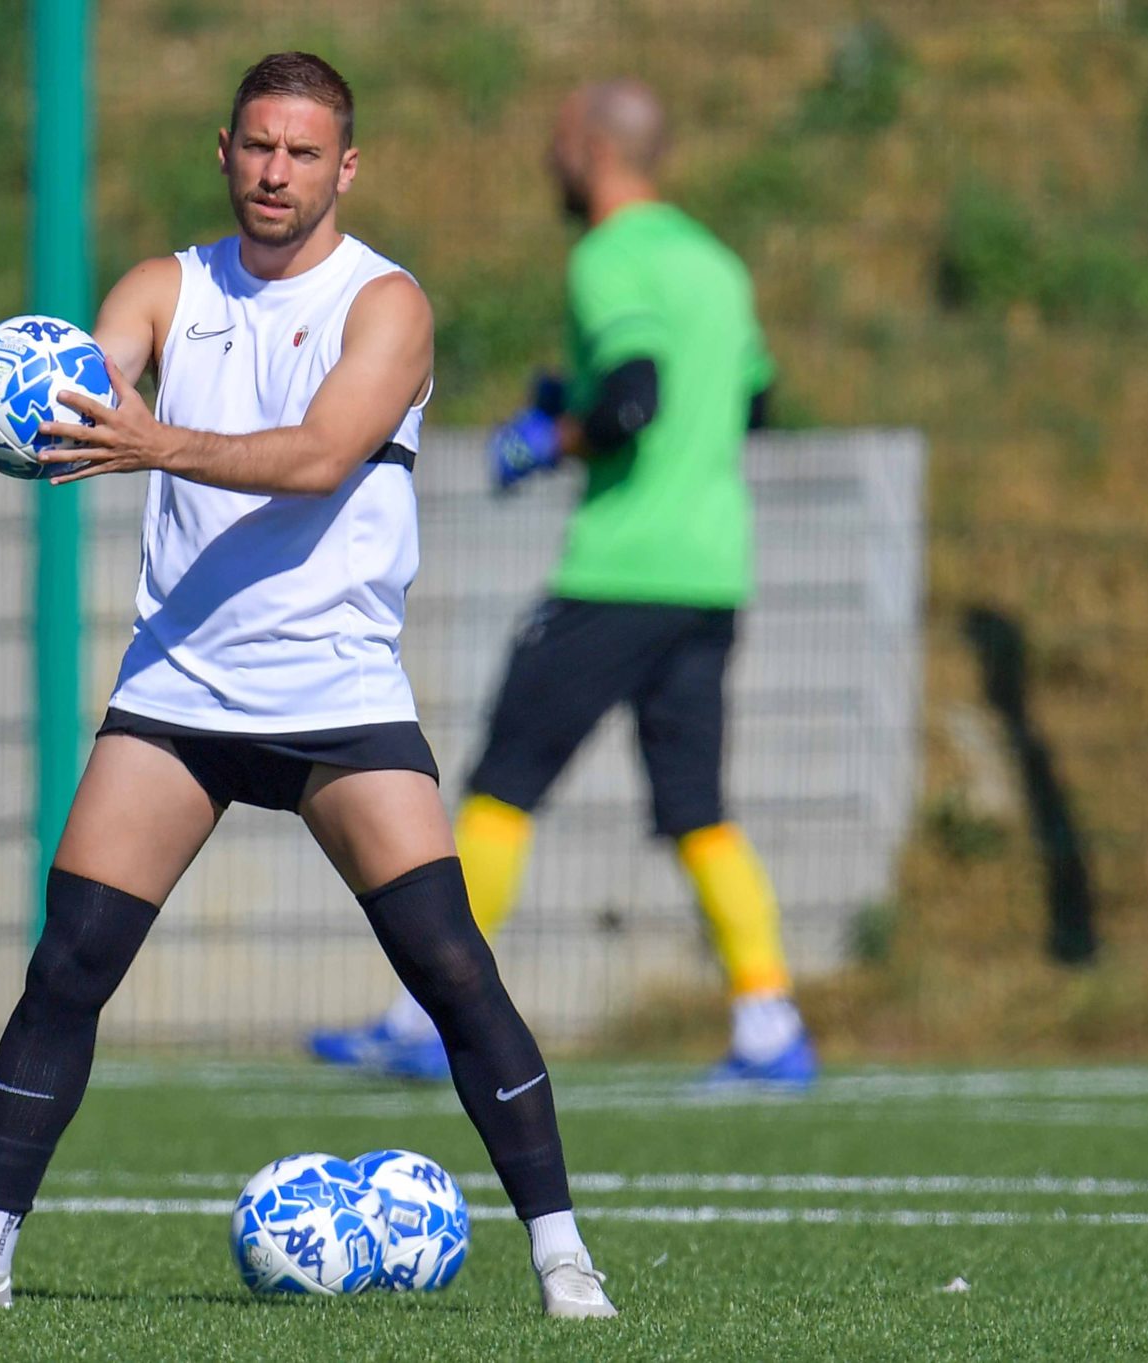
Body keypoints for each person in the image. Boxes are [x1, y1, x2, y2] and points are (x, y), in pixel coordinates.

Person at [0, 52, 614, 1320]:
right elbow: (82, 401)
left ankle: (563, 1259)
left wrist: (151, 439)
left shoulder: (387, 303)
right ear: (223, 151)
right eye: (257, 147)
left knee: (450, 968)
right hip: (180, 692)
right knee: (69, 964)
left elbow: (319, 456)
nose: (276, 172)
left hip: (337, 694)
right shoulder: (165, 287)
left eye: (303, 152)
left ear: (344, 167)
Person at [311, 79, 816, 1090]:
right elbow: (753, 401)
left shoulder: (608, 256)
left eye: (556, 142)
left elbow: (633, 399)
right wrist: (582, 404)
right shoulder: (715, 263)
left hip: (618, 569)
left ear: (592, 149)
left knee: (503, 782)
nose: (548, 160)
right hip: (711, 573)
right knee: (697, 809)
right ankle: (769, 1025)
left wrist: (551, 435)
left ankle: (426, 1014)